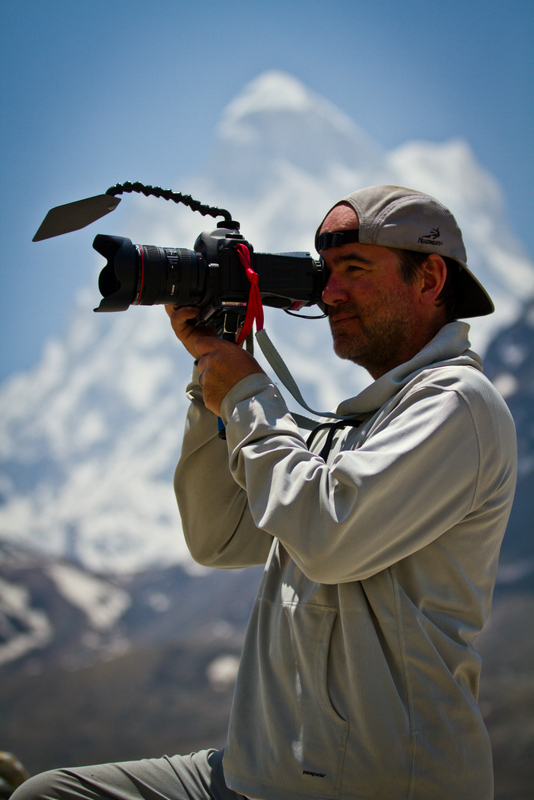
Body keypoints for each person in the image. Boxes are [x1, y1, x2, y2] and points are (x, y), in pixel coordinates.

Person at [13, 186, 517, 800]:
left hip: (378, 784)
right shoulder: (359, 426)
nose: (328, 293)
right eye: (323, 273)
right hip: (260, 773)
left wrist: (250, 397)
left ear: (430, 278)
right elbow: (218, 537)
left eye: (354, 270)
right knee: (50, 795)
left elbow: (329, 536)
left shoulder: (458, 404)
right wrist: (211, 381)